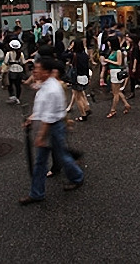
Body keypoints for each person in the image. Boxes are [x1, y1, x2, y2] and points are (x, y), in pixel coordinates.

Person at [19, 58, 85, 205]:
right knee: (45, 160)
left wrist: (41, 137)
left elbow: (49, 118)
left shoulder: (52, 89)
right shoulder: (45, 85)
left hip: (52, 128)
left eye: (37, 69)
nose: (34, 72)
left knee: (60, 157)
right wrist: (32, 118)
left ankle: (77, 177)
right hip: (47, 125)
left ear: (47, 72)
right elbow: (42, 109)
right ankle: (37, 193)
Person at [105, 36, 131, 118]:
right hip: (113, 72)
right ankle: (126, 104)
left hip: (116, 72)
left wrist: (108, 61)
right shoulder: (112, 51)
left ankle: (113, 110)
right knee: (117, 91)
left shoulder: (118, 51)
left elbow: (119, 63)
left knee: (115, 93)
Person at [68, 39, 91, 122]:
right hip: (84, 77)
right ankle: (87, 108)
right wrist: (88, 78)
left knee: (78, 98)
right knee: (81, 94)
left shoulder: (74, 55)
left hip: (76, 78)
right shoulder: (85, 55)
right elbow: (87, 67)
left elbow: (63, 55)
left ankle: (83, 115)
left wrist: (69, 49)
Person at [3, 39, 26, 104]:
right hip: (19, 70)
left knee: (10, 84)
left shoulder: (8, 53)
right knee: (18, 85)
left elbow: (5, 62)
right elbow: (23, 62)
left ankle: (12, 96)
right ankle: (18, 98)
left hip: (11, 70)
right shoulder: (21, 53)